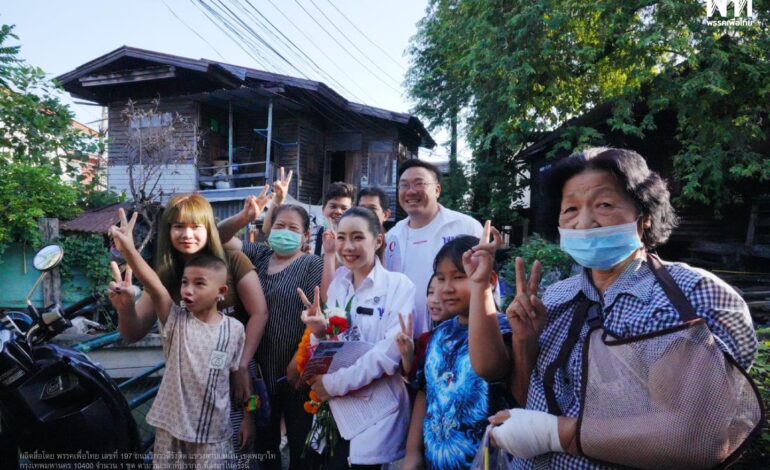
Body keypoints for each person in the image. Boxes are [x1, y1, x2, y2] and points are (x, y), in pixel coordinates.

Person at [472, 148, 757, 468]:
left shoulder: (688, 296)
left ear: (645, 216)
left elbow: (694, 436)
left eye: (604, 205)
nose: (584, 222)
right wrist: (526, 342)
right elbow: (532, 400)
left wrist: (558, 434)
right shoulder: (555, 298)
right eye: (570, 209)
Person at [112, 195, 269, 460]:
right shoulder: (166, 281)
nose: (187, 234)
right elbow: (133, 331)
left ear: (221, 290)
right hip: (184, 392)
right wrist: (125, 307)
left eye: (196, 226)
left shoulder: (232, 263)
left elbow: (259, 312)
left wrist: (243, 367)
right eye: (178, 226)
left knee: (236, 452)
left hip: (234, 370)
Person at [299, 207, 415, 469]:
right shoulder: (339, 285)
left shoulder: (399, 286)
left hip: (376, 413)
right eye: (341, 237)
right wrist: (318, 332)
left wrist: (334, 384)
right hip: (337, 409)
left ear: (378, 240)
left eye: (358, 237)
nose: (348, 246)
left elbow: (387, 355)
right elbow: (330, 348)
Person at [403, 236, 513, 470]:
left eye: (460, 277)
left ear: (490, 279)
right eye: (441, 278)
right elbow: (425, 391)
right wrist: (412, 453)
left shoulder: (506, 330)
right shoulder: (439, 334)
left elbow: (492, 368)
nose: (447, 288)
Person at [235, 204, 324, 470]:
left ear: (305, 236)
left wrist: (298, 360)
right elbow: (219, 239)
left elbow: (317, 312)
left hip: (297, 376)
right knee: (264, 446)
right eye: (279, 226)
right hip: (259, 373)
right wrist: (245, 217)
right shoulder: (259, 255)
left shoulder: (312, 264)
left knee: (301, 448)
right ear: (269, 230)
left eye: (293, 228)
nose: (285, 232)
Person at [385, 159, 483, 337]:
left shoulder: (466, 227)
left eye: (419, 183)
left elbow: (486, 283)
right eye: (404, 185)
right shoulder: (392, 236)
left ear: (437, 190)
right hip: (403, 338)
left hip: (458, 337)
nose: (411, 191)